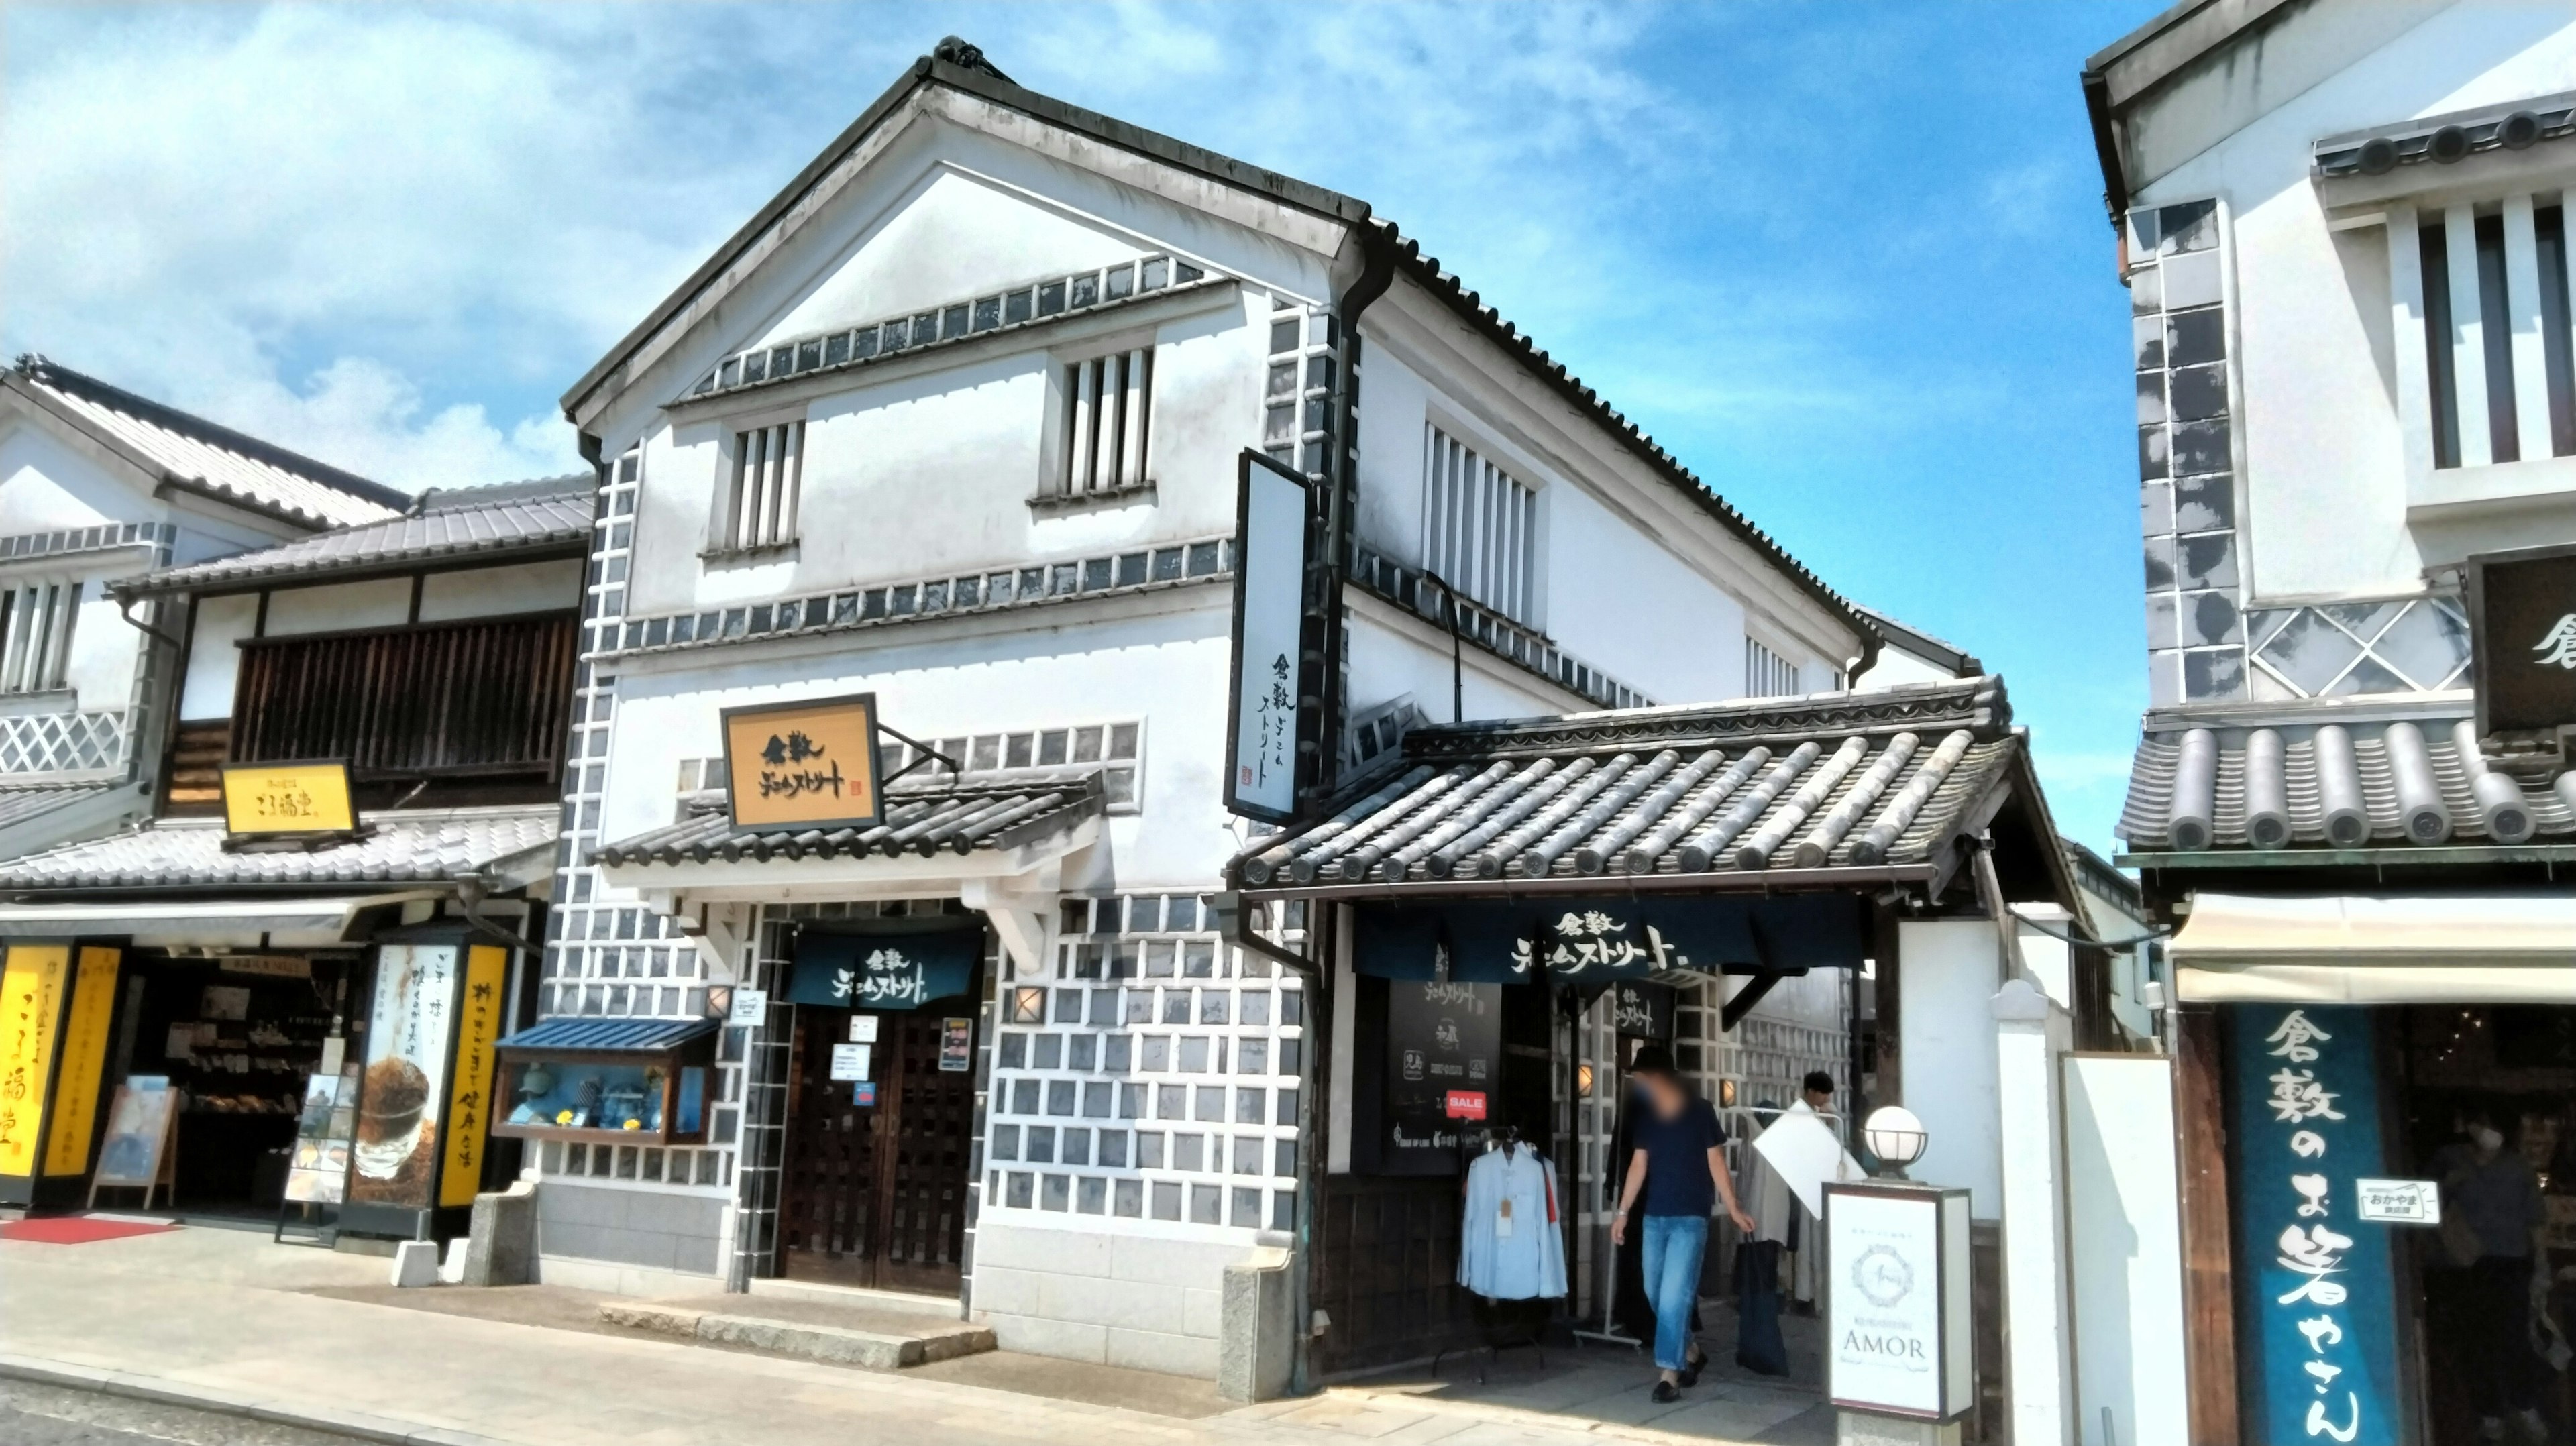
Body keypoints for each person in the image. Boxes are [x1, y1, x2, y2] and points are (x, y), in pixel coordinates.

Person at [1609, 1046, 1756, 1403]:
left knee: (1674, 1296)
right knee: (1655, 1293)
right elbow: (1638, 1166)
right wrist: (1623, 1211)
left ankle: (1669, 1374)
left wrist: (1734, 1207)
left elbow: (1717, 1163)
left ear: (1656, 1077)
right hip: (1654, 1218)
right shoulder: (1647, 1118)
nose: (1637, 1084)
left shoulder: (1700, 1112)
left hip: (1690, 1218)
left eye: (1639, 1078)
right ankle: (1691, 1350)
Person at [2438, 1110, 2548, 1443]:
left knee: (2514, 1339)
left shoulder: (2518, 1167)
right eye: (2483, 1124)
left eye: (2495, 1126)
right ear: (2470, 1127)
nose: (2489, 1133)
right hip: (2463, 1264)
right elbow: (2422, 1203)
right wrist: (2446, 1186)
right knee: (2474, 1343)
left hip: (2510, 1263)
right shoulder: (2449, 1158)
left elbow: (2536, 1219)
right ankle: (2490, 1416)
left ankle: (2525, 1406)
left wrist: (2541, 1265)